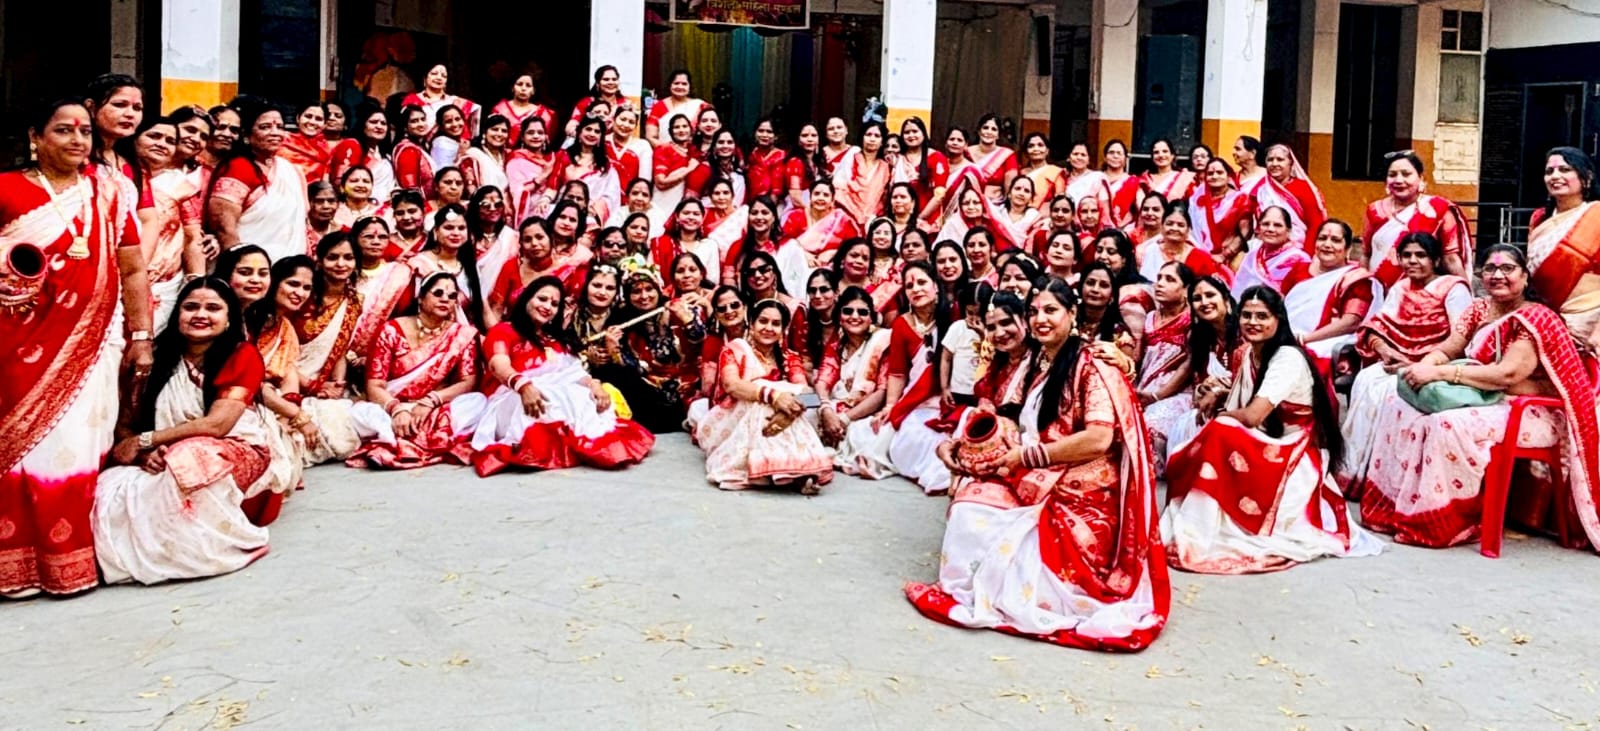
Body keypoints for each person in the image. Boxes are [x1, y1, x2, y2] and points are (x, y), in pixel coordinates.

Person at [906, 277, 1169, 651]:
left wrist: (1029, 457)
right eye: (1034, 311)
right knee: (969, 500)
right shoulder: (1038, 361)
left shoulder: (1093, 364)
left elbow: (1099, 438)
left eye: (1050, 310)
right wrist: (956, 446)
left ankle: (1012, 585)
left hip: (1082, 494)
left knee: (983, 520)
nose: (1040, 319)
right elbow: (1003, 415)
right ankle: (982, 580)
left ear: (1072, 313)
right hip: (1039, 476)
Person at [0, 99, 153, 598]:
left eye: (84, 131)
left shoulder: (110, 191)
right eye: (63, 130)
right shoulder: (6, 188)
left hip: (92, 345)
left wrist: (141, 336)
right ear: (35, 137)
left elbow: (133, 269)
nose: (77, 140)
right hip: (15, 344)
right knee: (20, 451)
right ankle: (13, 567)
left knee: (74, 452)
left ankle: (69, 562)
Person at [1359, 245, 1600, 551]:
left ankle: (1445, 520)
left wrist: (1441, 374)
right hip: (1484, 398)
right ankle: (1396, 509)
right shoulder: (1478, 310)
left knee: (1446, 424)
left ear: (1525, 277)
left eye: (1507, 268)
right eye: (1490, 269)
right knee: (1397, 403)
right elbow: (1449, 348)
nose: (1498, 275)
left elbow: (1507, 374)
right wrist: (1425, 365)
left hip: (1529, 411)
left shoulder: (1536, 317)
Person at [1163, 286, 1382, 573]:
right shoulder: (1249, 353)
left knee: (1221, 429)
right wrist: (1217, 395)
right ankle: (1200, 524)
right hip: (1265, 442)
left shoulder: (1287, 358)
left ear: (1278, 319)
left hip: (1292, 455)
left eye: (1262, 316)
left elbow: (1252, 416)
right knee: (1203, 426)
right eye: (1247, 315)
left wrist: (1222, 414)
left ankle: (1202, 528)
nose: (1253, 322)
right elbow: (1244, 402)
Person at [95, 278, 271, 585]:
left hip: (233, 449)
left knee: (190, 459)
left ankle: (196, 553)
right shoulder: (153, 358)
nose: (200, 314)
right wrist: (145, 455)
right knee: (109, 488)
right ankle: (143, 555)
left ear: (229, 318)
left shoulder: (242, 355)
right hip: (164, 452)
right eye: (191, 307)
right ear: (177, 314)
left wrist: (146, 441)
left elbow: (216, 425)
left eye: (213, 308)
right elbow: (126, 426)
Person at [455, 276, 654, 475]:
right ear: (527, 299)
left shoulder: (555, 340)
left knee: (583, 395)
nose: (547, 307)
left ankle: (582, 444)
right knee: (550, 392)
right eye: (542, 299)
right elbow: (498, 365)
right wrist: (523, 386)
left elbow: (572, 373)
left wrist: (594, 385)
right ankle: (535, 445)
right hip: (508, 400)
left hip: (544, 398)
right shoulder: (504, 330)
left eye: (554, 304)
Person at [1337, 231, 1472, 492]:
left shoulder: (1453, 289)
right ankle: (1359, 475)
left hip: (1436, 367)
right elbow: (1377, 327)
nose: (1412, 261)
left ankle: (1392, 482)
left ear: (1435, 260)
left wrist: (1418, 365)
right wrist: (1385, 349)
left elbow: (1461, 341)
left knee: (1391, 392)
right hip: (1397, 360)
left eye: (1421, 255)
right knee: (1367, 380)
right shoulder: (1400, 287)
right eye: (1406, 255)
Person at [695, 298, 833, 493]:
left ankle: (781, 470)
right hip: (731, 421)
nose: (768, 328)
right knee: (763, 395)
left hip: (779, 419)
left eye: (776, 324)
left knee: (788, 399)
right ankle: (787, 472)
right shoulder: (735, 350)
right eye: (763, 321)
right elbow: (732, 385)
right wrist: (773, 396)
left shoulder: (789, 357)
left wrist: (786, 414)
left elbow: (809, 395)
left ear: (783, 330)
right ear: (751, 325)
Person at [349, 272, 480, 469]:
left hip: (433, 408)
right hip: (391, 406)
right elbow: (374, 385)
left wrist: (431, 401)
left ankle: (397, 440)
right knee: (360, 413)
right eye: (438, 293)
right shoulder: (390, 330)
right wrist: (397, 410)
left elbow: (468, 382)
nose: (445, 299)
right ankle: (412, 437)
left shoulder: (461, 335)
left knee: (477, 402)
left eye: (452, 296)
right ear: (420, 298)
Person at [594, 257, 704, 433]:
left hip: (687, 386)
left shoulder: (677, 308)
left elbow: (700, 341)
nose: (644, 296)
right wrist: (613, 349)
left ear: (658, 289)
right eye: (636, 291)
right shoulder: (622, 321)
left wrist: (687, 320)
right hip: (651, 390)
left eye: (649, 289)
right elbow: (634, 370)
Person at [871, 261, 954, 495]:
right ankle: (934, 476)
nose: (916, 289)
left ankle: (946, 476)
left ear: (935, 286)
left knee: (943, 435)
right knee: (915, 434)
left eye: (921, 282)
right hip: (915, 401)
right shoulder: (901, 323)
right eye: (909, 286)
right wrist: (890, 405)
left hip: (948, 399)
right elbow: (897, 372)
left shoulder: (952, 317)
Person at [207, 96, 308, 261]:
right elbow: (224, 229)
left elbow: (303, 223)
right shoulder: (239, 168)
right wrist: (241, 266)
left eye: (280, 127)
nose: (275, 133)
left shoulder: (291, 170)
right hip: (250, 267)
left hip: (291, 268)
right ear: (247, 135)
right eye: (265, 127)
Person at [130, 116, 206, 332]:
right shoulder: (118, 178)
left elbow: (192, 237)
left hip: (165, 284)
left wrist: (197, 283)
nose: (162, 144)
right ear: (135, 138)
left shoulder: (180, 186)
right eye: (154, 136)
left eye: (170, 141)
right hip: (121, 276)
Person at [1526, 146, 1600, 350]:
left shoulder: (1597, 215)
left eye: (1565, 169)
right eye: (1549, 171)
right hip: (1549, 319)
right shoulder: (1539, 219)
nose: (1555, 176)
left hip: (1591, 321)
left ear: (1587, 177)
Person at [1363, 150, 1472, 287]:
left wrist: (1464, 291)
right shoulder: (1375, 210)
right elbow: (1366, 254)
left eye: (1406, 174)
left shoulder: (1437, 209)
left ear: (1420, 178)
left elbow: (1450, 258)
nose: (1399, 180)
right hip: (1377, 289)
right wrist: (1361, 289)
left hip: (1422, 291)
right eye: (1392, 175)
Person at [816, 286, 895, 475]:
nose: (855, 316)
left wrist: (844, 419)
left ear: (872, 318)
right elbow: (822, 381)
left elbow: (882, 392)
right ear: (840, 316)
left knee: (870, 432)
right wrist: (826, 409)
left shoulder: (883, 343)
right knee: (805, 414)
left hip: (866, 413)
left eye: (862, 312)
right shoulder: (836, 346)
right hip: (835, 409)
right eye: (848, 311)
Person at [1282, 219, 1376, 368]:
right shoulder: (1299, 270)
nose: (1327, 244)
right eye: (1322, 238)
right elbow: (1278, 305)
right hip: (1285, 337)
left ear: (1348, 248)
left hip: (1324, 343)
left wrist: (1304, 339)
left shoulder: (1355, 279)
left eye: (1336, 240)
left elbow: (1351, 323)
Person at [294, 233, 364, 397]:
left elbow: (339, 350)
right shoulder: (302, 297)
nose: (341, 264)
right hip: (288, 380)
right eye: (332, 257)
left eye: (348, 258)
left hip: (324, 387)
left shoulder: (354, 301)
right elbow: (279, 355)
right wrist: (313, 386)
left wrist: (337, 385)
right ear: (319, 261)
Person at [775, 180, 862, 296]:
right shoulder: (796, 216)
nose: (820, 198)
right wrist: (803, 254)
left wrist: (835, 253)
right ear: (810, 198)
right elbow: (783, 242)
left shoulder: (842, 220)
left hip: (831, 269)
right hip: (797, 266)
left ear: (832, 200)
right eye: (816, 194)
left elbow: (855, 246)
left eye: (825, 195)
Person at [348, 216, 413, 361]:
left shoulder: (399, 274)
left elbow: (402, 319)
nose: (376, 242)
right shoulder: (343, 271)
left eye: (382, 237)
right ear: (354, 239)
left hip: (380, 352)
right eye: (368, 236)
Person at [1250, 144, 1327, 254]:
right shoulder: (1260, 188)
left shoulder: (1303, 188)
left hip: (1297, 250)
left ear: (1290, 163)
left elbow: (1315, 223)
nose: (1274, 164)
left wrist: (1307, 253)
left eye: (1280, 159)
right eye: (1270, 160)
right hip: (1265, 248)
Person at [548, 116, 620, 223]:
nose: (592, 134)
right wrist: (545, 200)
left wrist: (595, 210)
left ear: (601, 137)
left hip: (590, 214)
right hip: (563, 209)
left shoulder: (605, 164)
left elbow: (611, 194)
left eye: (597, 131)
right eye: (588, 129)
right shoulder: (564, 156)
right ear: (579, 132)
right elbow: (553, 185)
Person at [1138, 201, 1229, 283]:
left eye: (1180, 225)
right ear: (1161, 227)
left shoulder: (1201, 258)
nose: (1174, 228)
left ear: (1188, 230)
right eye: (1169, 224)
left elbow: (1210, 288)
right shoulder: (1148, 251)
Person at [1232, 206, 1311, 297]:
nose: (1270, 229)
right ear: (1259, 228)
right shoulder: (1251, 256)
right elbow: (1237, 290)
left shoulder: (1300, 259)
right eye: (1266, 224)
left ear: (1288, 231)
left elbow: (1301, 296)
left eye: (1277, 225)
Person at [1188, 158, 1250, 268]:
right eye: (1210, 173)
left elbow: (1245, 232)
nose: (1215, 176)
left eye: (1220, 172)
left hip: (1229, 259)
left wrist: (1224, 255)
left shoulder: (1240, 199)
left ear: (1228, 176)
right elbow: (1191, 231)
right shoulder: (1196, 201)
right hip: (1201, 257)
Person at [329, 104, 396, 203]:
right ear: (363, 125)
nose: (379, 126)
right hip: (358, 205)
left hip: (385, 206)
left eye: (383, 123)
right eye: (373, 122)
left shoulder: (385, 155)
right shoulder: (351, 145)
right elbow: (340, 182)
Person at [940, 281, 989, 410]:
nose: (975, 318)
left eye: (980, 314)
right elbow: (946, 358)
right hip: (958, 391)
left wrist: (982, 334)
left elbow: (990, 356)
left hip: (982, 393)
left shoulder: (992, 330)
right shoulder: (958, 327)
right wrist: (944, 387)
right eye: (970, 313)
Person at [833, 122, 892, 225]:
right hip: (846, 215)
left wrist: (871, 217)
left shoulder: (885, 167)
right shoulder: (852, 157)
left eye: (877, 136)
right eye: (868, 135)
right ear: (862, 137)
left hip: (873, 220)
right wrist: (855, 214)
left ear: (882, 142)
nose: (872, 139)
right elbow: (839, 188)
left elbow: (883, 198)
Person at [893, 117, 949, 224]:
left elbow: (939, 195)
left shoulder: (936, 157)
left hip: (928, 219)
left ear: (923, 133)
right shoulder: (898, 159)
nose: (911, 135)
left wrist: (920, 218)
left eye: (915, 131)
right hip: (901, 218)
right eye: (907, 132)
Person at [403, 64, 480, 137]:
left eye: (444, 76)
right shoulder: (412, 100)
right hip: (420, 143)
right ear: (425, 78)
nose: (439, 78)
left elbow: (467, 126)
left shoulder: (457, 101)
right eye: (434, 74)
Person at [506, 117, 555, 220]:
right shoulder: (516, 159)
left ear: (546, 136)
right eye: (530, 132)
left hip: (550, 210)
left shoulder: (552, 158)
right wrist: (542, 177)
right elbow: (518, 191)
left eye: (540, 133)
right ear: (522, 137)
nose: (536, 136)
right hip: (528, 213)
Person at [492, 74, 556, 150]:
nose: (523, 88)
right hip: (502, 153)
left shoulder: (544, 113)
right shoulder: (500, 109)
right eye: (519, 84)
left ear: (533, 91)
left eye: (528, 85)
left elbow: (546, 141)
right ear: (512, 88)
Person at [646, 70, 709, 145]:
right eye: (676, 83)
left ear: (690, 87)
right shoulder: (659, 106)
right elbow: (650, 137)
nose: (680, 86)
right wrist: (670, 150)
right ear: (670, 85)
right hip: (666, 150)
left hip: (695, 150)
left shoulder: (700, 106)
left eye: (684, 84)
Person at [969, 114, 1018, 202]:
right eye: (985, 128)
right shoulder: (966, 152)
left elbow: (1010, 188)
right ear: (979, 131)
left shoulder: (1007, 155)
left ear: (998, 135)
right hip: (969, 203)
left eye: (994, 129)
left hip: (996, 204)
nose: (989, 132)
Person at [568, 65, 626, 139]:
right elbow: (570, 128)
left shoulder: (626, 104)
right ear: (598, 83)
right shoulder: (587, 102)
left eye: (614, 79)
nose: (611, 82)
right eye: (606, 79)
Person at [280, 102, 331, 184]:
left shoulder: (325, 151)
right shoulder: (281, 140)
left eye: (318, 119)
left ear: (325, 124)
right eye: (308, 116)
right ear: (298, 118)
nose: (312, 122)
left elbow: (324, 182)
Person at [460, 114, 511, 195]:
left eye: (504, 131)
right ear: (484, 132)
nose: (499, 134)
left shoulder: (508, 156)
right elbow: (471, 189)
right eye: (495, 129)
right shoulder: (473, 155)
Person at [392, 105, 435, 197]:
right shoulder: (408, 151)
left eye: (423, 119)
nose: (421, 124)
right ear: (405, 127)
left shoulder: (420, 147)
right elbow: (410, 189)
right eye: (414, 121)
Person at [1016, 132, 1067, 210]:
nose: (1036, 149)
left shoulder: (1055, 172)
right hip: (1020, 212)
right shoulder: (1020, 173)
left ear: (1047, 151)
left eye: (1040, 145)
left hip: (1045, 214)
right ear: (1026, 152)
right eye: (1031, 146)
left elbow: (1060, 200)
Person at [1138, 139, 1195, 207]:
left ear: (1172, 155)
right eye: (1156, 152)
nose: (1161, 155)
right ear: (1152, 157)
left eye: (1165, 151)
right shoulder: (1145, 180)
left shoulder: (1185, 178)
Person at [1101, 140, 1138, 227]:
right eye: (1111, 152)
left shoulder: (1132, 181)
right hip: (1097, 228)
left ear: (1125, 158)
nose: (1115, 156)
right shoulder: (1096, 178)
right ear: (1105, 157)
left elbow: (1141, 207)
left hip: (1123, 228)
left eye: (1119, 153)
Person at [305, 181, 342, 251]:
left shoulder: (344, 231)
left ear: (338, 204)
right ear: (308, 203)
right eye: (319, 201)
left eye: (331, 201)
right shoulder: (298, 232)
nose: (326, 206)